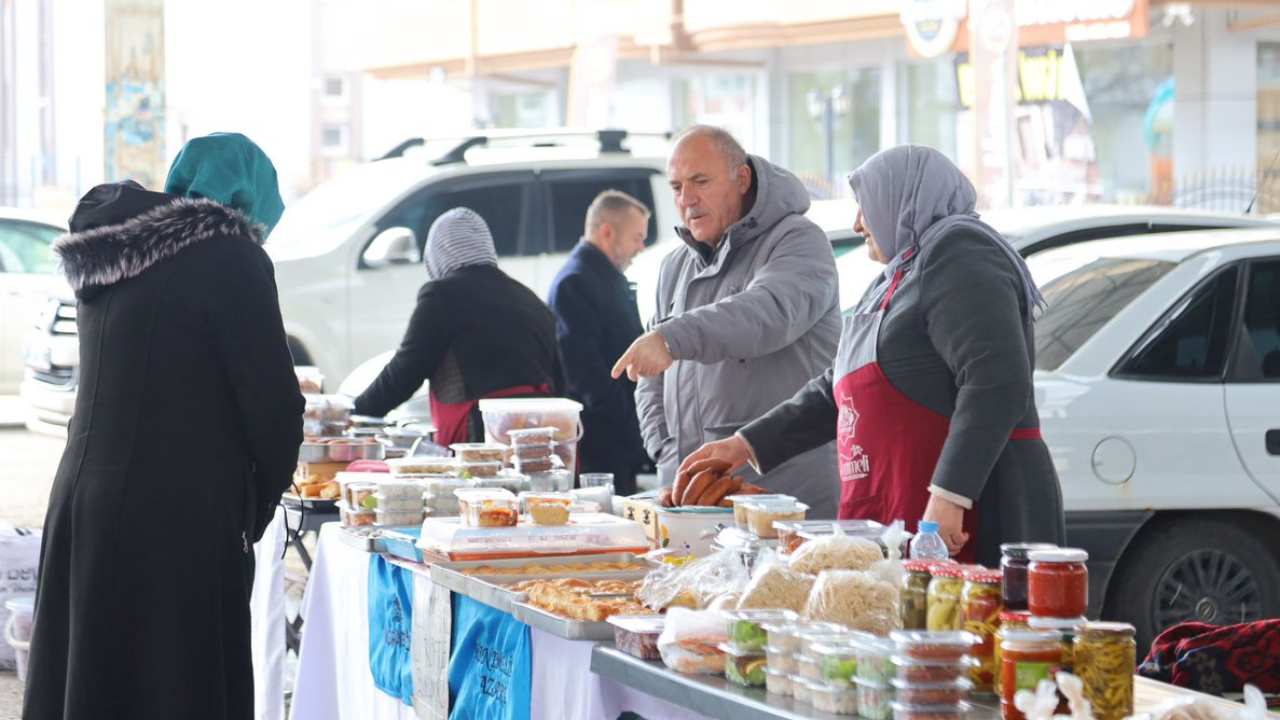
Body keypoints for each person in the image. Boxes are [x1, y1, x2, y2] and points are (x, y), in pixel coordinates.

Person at [23, 133, 304, 720]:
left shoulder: (111, 253)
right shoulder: (230, 254)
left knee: (96, 679)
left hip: (82, 498)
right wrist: (252, 510)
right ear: (251, 197)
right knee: (172, 685)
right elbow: (275, 409)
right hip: (175, 514)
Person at [678, 144, 1065, 565]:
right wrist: (745, 444)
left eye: (865, 205)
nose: (858, 223)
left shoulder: (961, 252)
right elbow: (835, 392)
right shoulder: (900, 272)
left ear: (903, 199)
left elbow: (996, 379)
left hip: (981, 507)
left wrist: (952, 495)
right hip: (899, 502)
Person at [613, 125, 841, 518]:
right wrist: (667, 452)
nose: (688, 199)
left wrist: (671, 338)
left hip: (786, 504)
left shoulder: (799, 241)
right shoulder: (674, 265)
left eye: (700, 181)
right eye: (677, 186)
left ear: (742, 179)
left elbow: (766, 312)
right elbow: (649, 374)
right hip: (694, 503)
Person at [353, 208, 564, 445]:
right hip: (539, 437)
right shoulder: (531, 300)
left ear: (435, 254)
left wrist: (355, 414)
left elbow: (405, 371)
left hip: (478, 439)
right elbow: (560, 383)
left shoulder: (441, 295)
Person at [547, 190, 651, 495]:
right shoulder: (576, 282)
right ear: (607, 232)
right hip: (598, 446)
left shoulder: (602, 278)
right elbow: (585, 375)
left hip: (615, 439)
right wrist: (633, 426)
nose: (641, 247)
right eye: (636, 237)